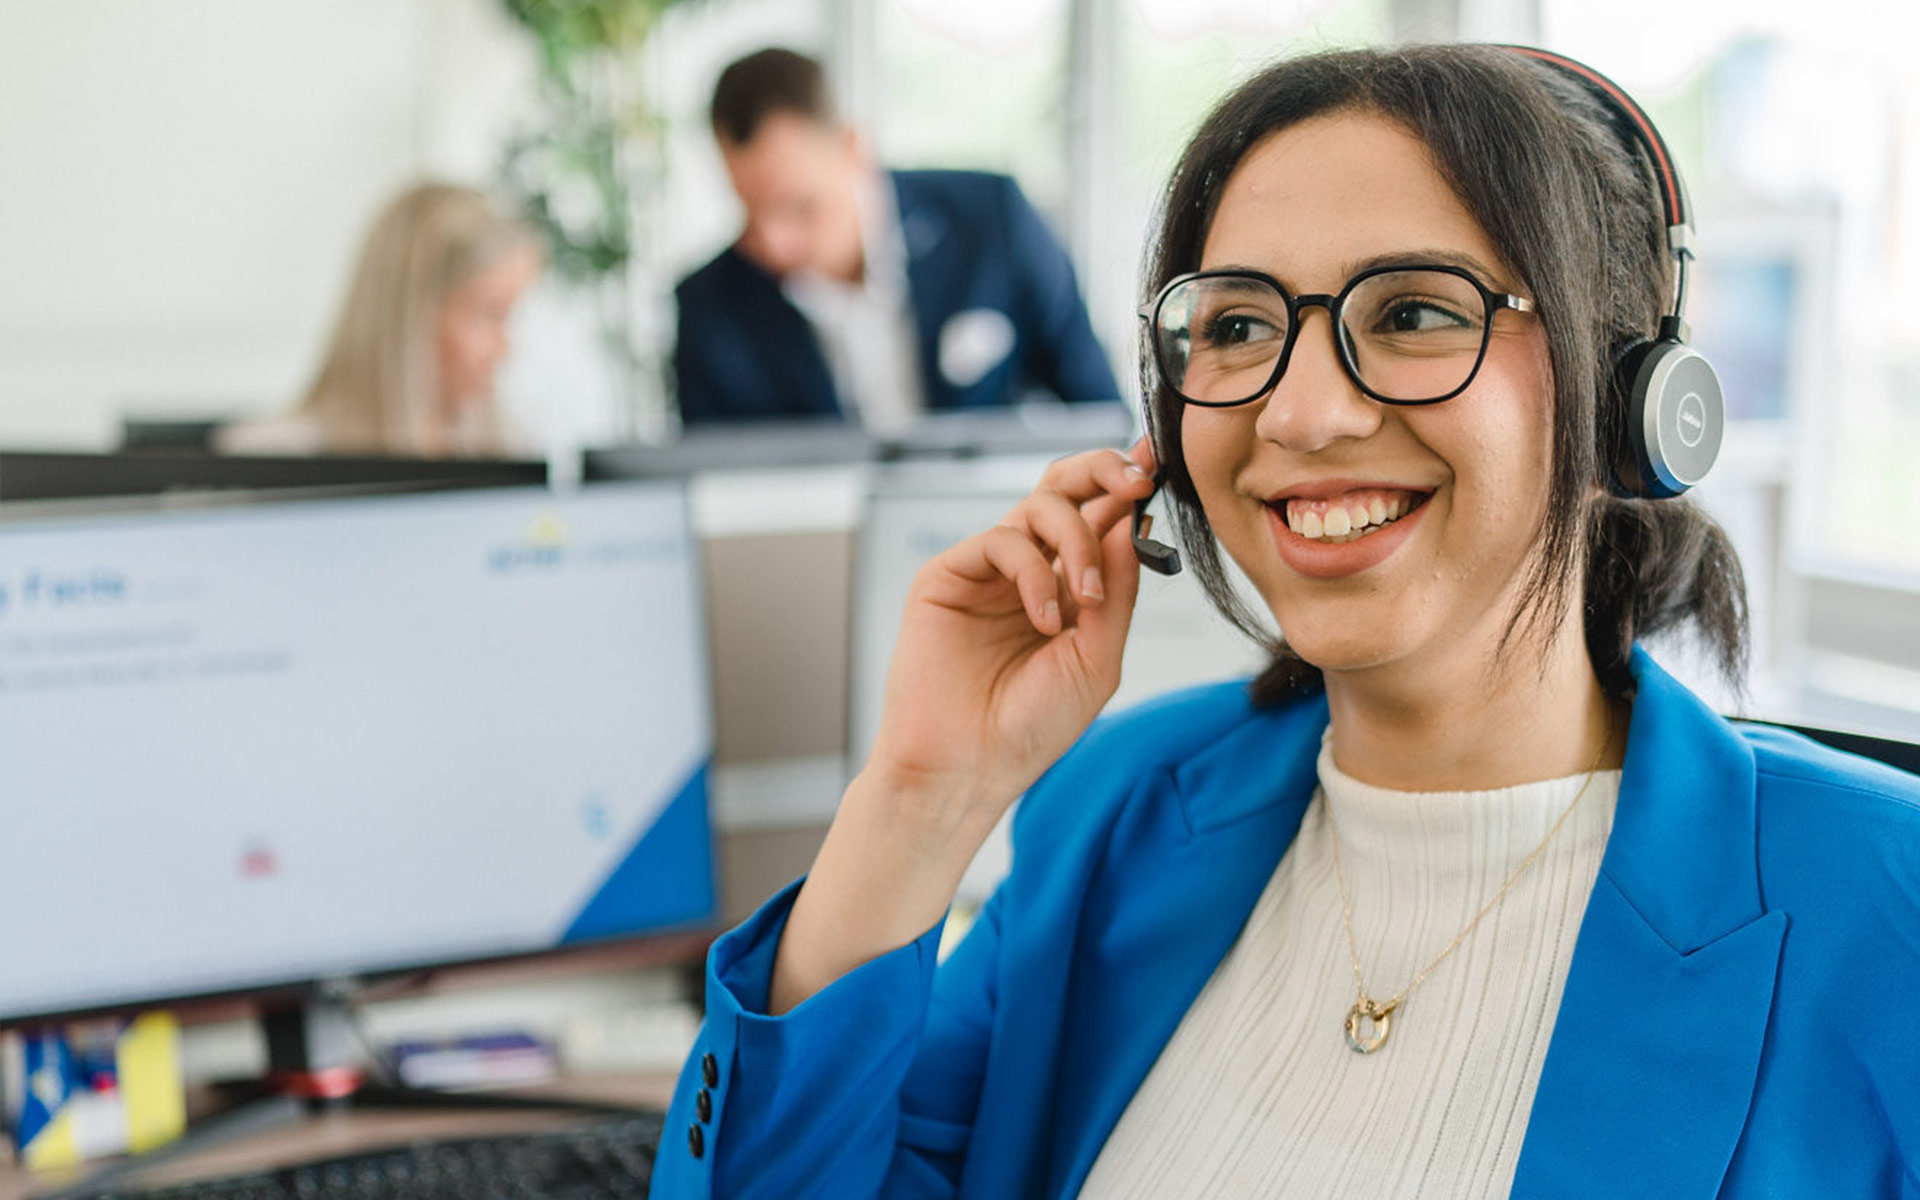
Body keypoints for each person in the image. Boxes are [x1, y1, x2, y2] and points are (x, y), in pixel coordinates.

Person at [650, 45, 1920, 1198]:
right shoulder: (1120, 812)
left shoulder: (1884, 910)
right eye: (1240, 325)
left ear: (1630, 396)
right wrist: (921, 797)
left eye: (1415, 312)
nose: (1300, 415)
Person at [672, 48, 1121, 432]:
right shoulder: (707, 307)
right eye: (749, 210)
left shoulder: (993, 220)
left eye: (799, 206)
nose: (773, 244)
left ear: (853, 149)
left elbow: (1102, 417)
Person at [219, 182, 543, 458]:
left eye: (509, 316)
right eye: (488, 315)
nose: (505, 348)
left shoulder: (510, 445)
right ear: (411, 319)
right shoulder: (271, 458)